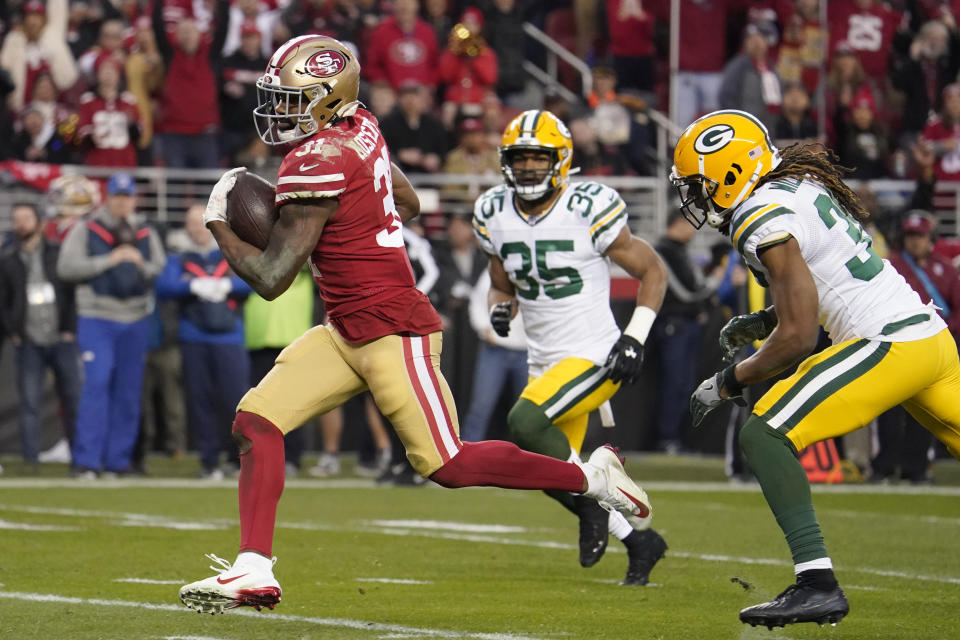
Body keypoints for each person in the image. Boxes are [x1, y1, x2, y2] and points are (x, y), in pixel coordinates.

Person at [178, 34, 655, 614]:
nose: (282, 110)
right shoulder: (361, 126)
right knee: (256, 422)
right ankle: (253, 569)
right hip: (346, 327)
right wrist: (348, 219)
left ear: (330, 98)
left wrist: (219, 222)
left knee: (446, 464)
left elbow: (274, 276)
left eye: (294, 98)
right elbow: (407, 203)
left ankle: (591, 478)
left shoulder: (318, 157)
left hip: (391, 329)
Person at [670, 109, 960, 628]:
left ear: (733, 173)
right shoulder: (797, 185)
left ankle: (817, 584)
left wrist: (728, 381)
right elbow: (826, 279)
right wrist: (762, 320)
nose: (695, 198)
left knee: (765, 435)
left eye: (700, 186)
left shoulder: (760, 215)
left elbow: (801, 337)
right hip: (931, 340)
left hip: (887, 342)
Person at [473, 109, 670, 585]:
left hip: (595, 353)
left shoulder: (588, 204)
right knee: (550, 471)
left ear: (560, 161)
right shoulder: (493, 211)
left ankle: (590, 509)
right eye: (519, 159)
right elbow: (502, 284)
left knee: (523, 422)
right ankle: (641, 541)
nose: (528, 169)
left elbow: (653, 271)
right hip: (543, 360)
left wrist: (634, 337)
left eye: (539, 158)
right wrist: (502, 307)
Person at [57, 172, 166, 478]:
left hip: (135, 318)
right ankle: (87, 461)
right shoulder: (86, 227)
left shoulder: (144, 229)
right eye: (117, 196)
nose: (121, 202)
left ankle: (117, 462)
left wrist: (138, 263)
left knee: (129, 393)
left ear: (133, 198)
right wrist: (110, 260)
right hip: (97, 317)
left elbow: (160, 266)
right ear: (108, 198)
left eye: (126, 196)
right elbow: (66, 267)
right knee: (96, 386)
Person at [156, 204, 252, 479]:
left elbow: (254, 281)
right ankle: (209, 461)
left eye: (201, 223)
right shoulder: (179, 257)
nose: (197, 228)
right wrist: (192, 286)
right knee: (201, 402)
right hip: (194, 337)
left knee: (237, 402)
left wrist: (227, 285)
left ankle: (239, 460)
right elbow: (164, 287)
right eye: (192, 224)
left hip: (229, 337)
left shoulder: (230, 251)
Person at [0, 203, 81, 466]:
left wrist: (69, 328)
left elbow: (70, 292)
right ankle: (30, 459)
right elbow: (4, 299)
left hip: (61, 337)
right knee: (29, 402)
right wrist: (13, 330)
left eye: (26, 218)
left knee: (73, 399)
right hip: (28, 340)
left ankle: (81, 455)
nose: (21, 223)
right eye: (17, 219)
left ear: (39, 222)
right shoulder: (7, 257)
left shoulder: (57, 253)